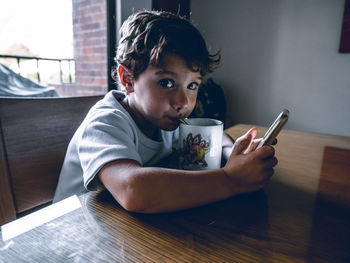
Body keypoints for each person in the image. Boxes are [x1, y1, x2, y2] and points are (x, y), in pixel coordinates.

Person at [53, 10, 277, 213]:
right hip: (69, 237)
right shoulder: (105, 122)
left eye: (192, 85)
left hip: (118, 228)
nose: (183, 102)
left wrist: (235, 153)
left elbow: (213, 138)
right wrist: (231, 179)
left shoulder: (167, 119)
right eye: (167, 83)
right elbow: (133, 190)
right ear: (128, 79)